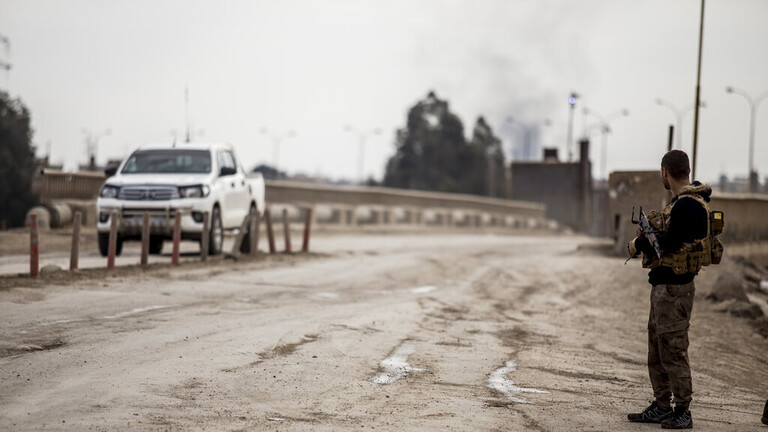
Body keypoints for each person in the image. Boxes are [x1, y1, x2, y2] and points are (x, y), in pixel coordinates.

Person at [626, 150, 712, 430]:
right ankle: (662, 405)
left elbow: (668, 246)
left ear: (665, 172)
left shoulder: (688, 205)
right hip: (666, 288)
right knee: (658, 348)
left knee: (673, 349)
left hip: (675, 290)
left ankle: (682, 410)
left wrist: (641, 244)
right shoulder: (683, 203)